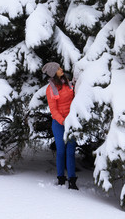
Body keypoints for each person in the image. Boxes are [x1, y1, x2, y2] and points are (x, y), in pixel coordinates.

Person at [42, 61, 78, 190]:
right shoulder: (50, 89)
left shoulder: (67, 82)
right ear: (53, 72)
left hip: (71, 122)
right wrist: (63, 121)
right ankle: (61, 178)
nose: (61, 69)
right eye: (58, 68)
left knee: (70, 152)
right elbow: (53, 110)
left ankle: (72, 181)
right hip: (59, 124)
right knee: (61, 151)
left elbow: (75, 96)